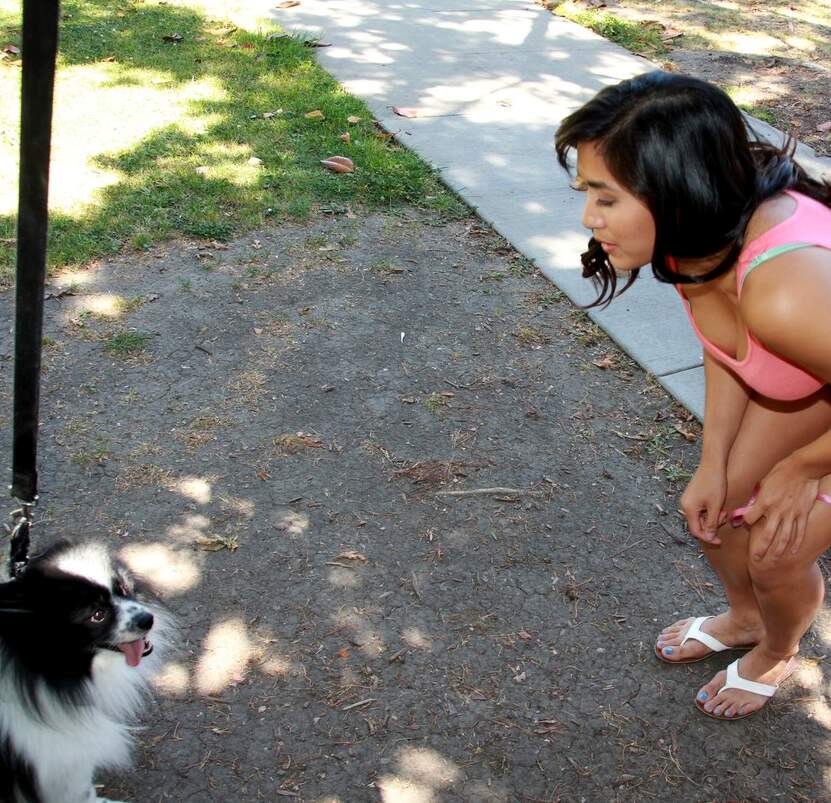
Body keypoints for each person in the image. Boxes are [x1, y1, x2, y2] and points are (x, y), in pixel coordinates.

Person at [554, 70, 831, 720]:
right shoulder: (693, 242)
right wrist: (712, 463)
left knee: (775, 554)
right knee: (715, 512)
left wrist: (805, 465)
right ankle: (743, 620)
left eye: (605, 197)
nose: (588, 219)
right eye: (585, 192)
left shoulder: (786, 294)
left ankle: (776, 649)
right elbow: (728, 353)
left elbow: (768, 329)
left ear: (675, 191)